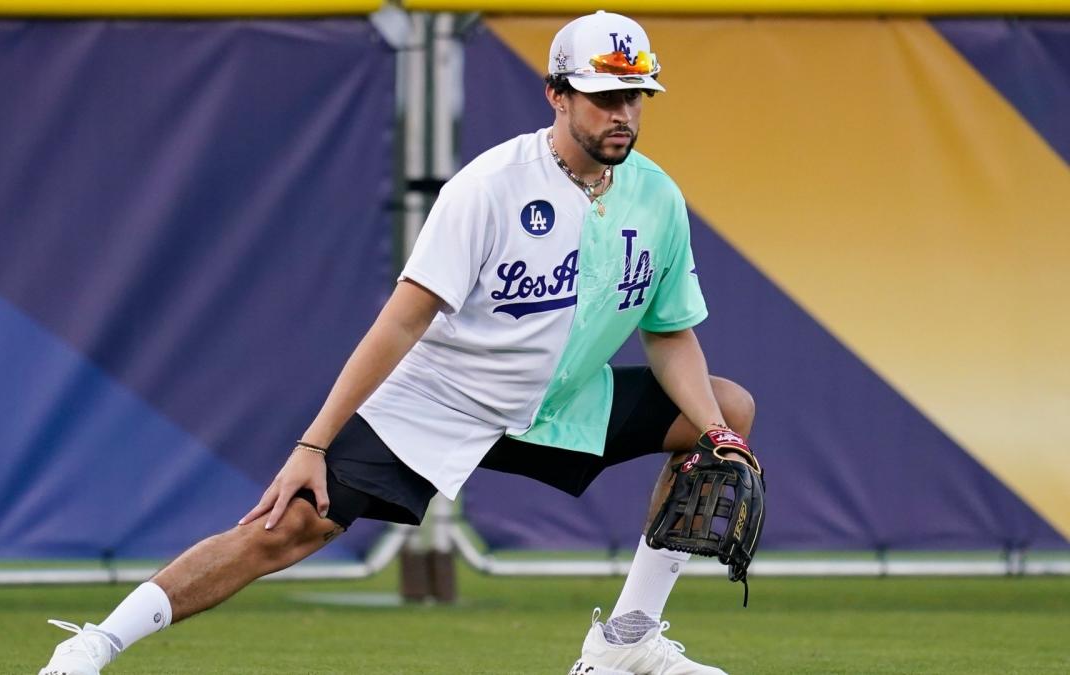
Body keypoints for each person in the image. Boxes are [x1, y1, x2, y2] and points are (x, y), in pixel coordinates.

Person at [38, 10, 755, 675]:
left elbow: (670, 335)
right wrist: (313, 444)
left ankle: (624, 643)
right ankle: (97, 641)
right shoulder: (491, 187)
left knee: (724, 407)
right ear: (556, 95)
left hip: (562, 402)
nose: (622, 113)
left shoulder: (656, 197)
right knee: (286, 529)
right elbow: (401, 321)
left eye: (635, 96)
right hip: (443, 397)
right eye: (604, 95)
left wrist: (717, 431)